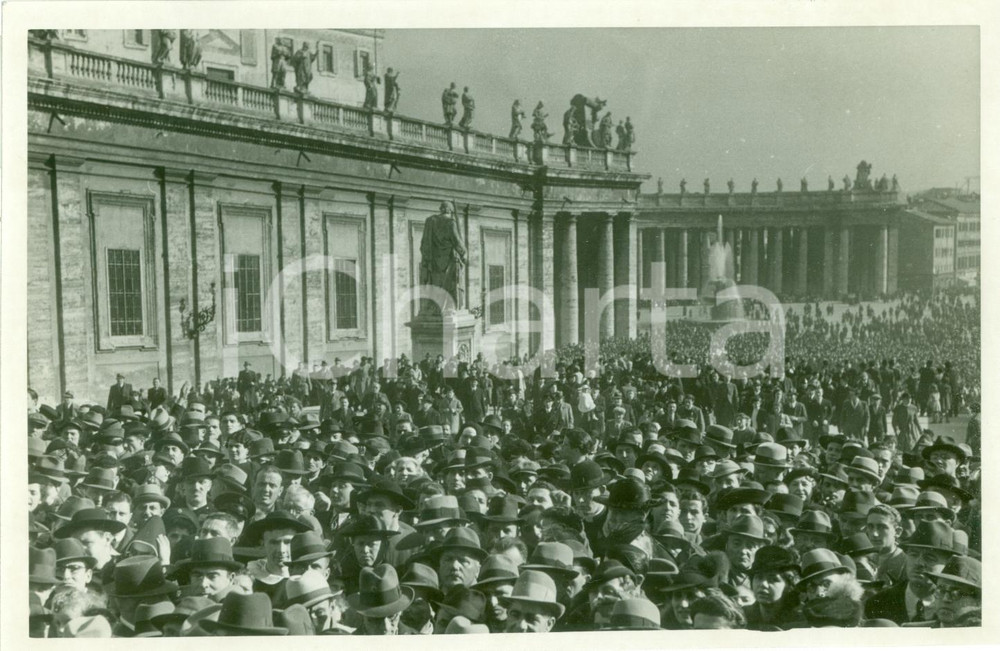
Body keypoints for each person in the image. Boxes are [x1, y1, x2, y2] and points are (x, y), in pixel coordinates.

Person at [419, 202, 467, 312]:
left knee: (435, 283)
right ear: (449, 210)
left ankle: (435, 308)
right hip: (448, 261)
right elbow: (457, 241)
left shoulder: (430, 221)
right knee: (449, 284)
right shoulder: (450, 223)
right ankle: (449, 307)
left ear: (441, 209)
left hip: (433, 261)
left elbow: (424, 243)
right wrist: (464, 253)